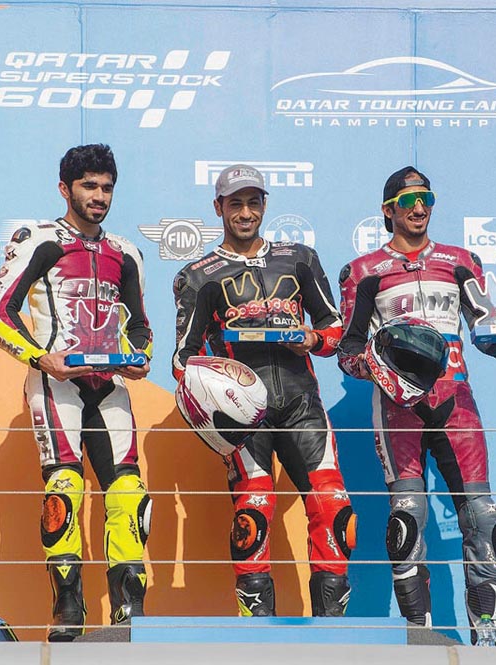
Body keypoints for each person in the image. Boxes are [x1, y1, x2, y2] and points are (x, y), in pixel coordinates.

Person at [337, 166, 496, 646]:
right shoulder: (364, 270)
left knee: (484, 515)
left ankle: (488, 632)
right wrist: (379, 368)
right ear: (388, 210)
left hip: (456, 402)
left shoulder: (459, 260)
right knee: (408, 516)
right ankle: (419, 634)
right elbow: (347, 352)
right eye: (408, 200)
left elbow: (489, 339)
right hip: (398, 407)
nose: (418, 208)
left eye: (426, 198)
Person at [0, 144, 153, 640]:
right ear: (65, 189)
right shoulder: (38, 239)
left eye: (106, 188)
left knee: (128, 491)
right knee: (65, 489)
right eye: (89, 187)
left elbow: (140, 326)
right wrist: (41, 358)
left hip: (110, 384)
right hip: (56, 383)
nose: (99, 197)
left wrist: (139, 356)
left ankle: (129, 613)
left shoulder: (126, 251)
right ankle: (69, 612)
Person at [172, 164, 356, 617]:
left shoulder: (299, 259)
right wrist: (210, 391)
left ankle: (332, 638)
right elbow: (182, 358)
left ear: (264, 206)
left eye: (254, 202)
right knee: (253, 513)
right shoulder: (198, 275)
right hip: (242, 414)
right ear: (218, 208)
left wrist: (311, 339)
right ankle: (258, 631)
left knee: (334, 508)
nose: (246, 212)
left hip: (300, 403)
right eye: (235, 203)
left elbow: (334, 328)